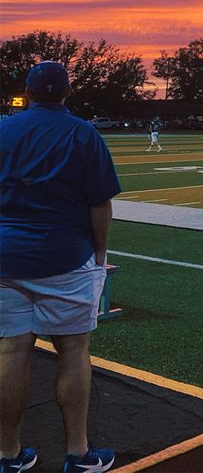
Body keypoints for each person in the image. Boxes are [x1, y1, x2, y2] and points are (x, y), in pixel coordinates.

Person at [0, 61, 120, 473]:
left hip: (6, 254)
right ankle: (77, 453)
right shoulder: (83, 133)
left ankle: (8, 454)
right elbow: (100, 204)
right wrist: (100, 255)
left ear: (28, 92)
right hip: (66, 255)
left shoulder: (3, 128)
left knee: (12, 350)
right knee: (72, 351)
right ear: (67, 93)